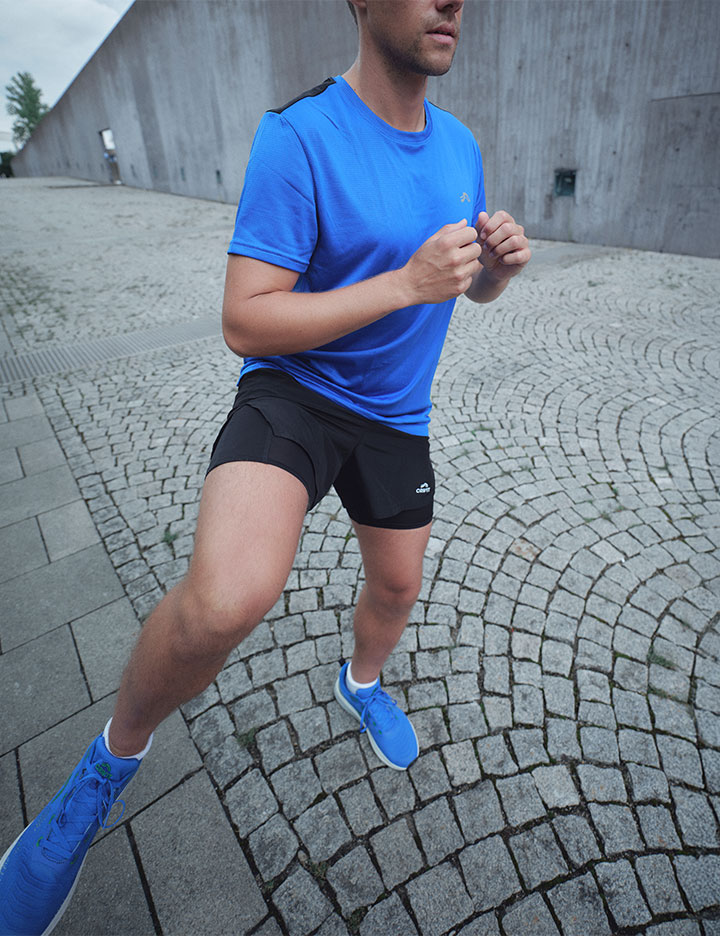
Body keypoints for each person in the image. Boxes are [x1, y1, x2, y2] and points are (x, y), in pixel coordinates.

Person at [0, 0, 531, 932]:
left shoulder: (461, 147)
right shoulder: (299, 136)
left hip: (396, 416)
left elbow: (466, 290)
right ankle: (106, 767)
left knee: (397, 588)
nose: (453, 0)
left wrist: (493, 273)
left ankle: (359, 685)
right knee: (223, 601)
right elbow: (245, 319)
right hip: (298, 391)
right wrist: (402, 283)